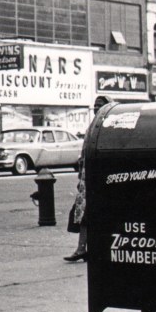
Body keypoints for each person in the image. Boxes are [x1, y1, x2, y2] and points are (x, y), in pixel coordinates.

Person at [64, 96, 111, 262]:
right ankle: (82, 248)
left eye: (101, 105)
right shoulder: (93, 126)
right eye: (95, 106)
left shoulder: (109, 125)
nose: (97, 108)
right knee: (84, 213)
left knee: (95, 214)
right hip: (88, 177)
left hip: (101, 176)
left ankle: (90, 248)